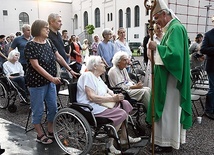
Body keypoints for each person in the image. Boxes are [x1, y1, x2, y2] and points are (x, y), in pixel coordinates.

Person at [147, 0, 192, 153]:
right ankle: (164, 140)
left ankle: (167, 142)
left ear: (164, 14)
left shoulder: (176, 28)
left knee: (168, 111)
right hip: (168, 79)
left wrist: (157, 47)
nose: (156, 23)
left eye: (157, 18)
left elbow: (175, 56)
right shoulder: (171, 29)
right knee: (166, 110)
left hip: (172, 82)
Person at [24, 19, 79, 145]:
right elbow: (36, 66)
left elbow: (59, 56)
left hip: (50, 82)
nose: (48, 30)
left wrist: (70, 69)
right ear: (38, 29)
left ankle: (50, 131)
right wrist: (52, 78)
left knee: (53, 108)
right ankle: (39, 134)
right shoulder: (30, 45)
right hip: (37, 84)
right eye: (45, 28)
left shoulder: (48, 42)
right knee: (38, 109)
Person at [76, 55, 141, 154]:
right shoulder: (88, 75)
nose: (104, 64)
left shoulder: (97, 77)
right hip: (91, 107)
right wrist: (112, 98)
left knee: (125, 103)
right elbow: (91, 97)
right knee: (121, 113)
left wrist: (116, 96)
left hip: (102, 103)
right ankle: (110, 145)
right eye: (101, 63)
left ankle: (124, 137)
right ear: (94, 66)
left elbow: (108, 90)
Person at [200, 16, 214, 120]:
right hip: (212, 66)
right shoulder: (209, 34)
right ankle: (208, 110)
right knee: (212, 89)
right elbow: (203, 49)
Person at [144, 24, 163, 88]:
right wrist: (155, 63)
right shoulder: (152, 39)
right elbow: (148, 54)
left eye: (160, 28)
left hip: (162, 61)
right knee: (153, 81)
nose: (160, 29)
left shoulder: (165, 37)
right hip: (154, 61)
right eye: (157, 28)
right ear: (154, 30)